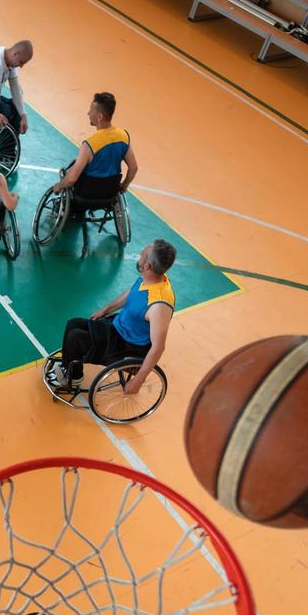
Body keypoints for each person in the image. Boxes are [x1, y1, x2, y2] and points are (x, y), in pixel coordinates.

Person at [53, 240, 176, 395]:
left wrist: (138, 380)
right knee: (73, 323)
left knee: (75, 338)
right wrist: (105, 309)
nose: (139, 255)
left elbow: (158, 347)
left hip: (126, 346)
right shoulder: (152, 278)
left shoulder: (158, 306)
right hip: (118, 327)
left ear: (147, 266)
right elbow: (130, 294)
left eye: (142, 255)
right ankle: (68, 366)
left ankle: (73, 378)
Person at [51, 92, 138, 202]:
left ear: (99, 117)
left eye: (91, 110)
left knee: (69, 174)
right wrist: (124, 186)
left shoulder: (89, 145)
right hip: (110, 194)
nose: (88, 113)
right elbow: (133, 168)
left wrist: (58, 186)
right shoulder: (123, 137)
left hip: (86, 195)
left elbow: (71, 179)